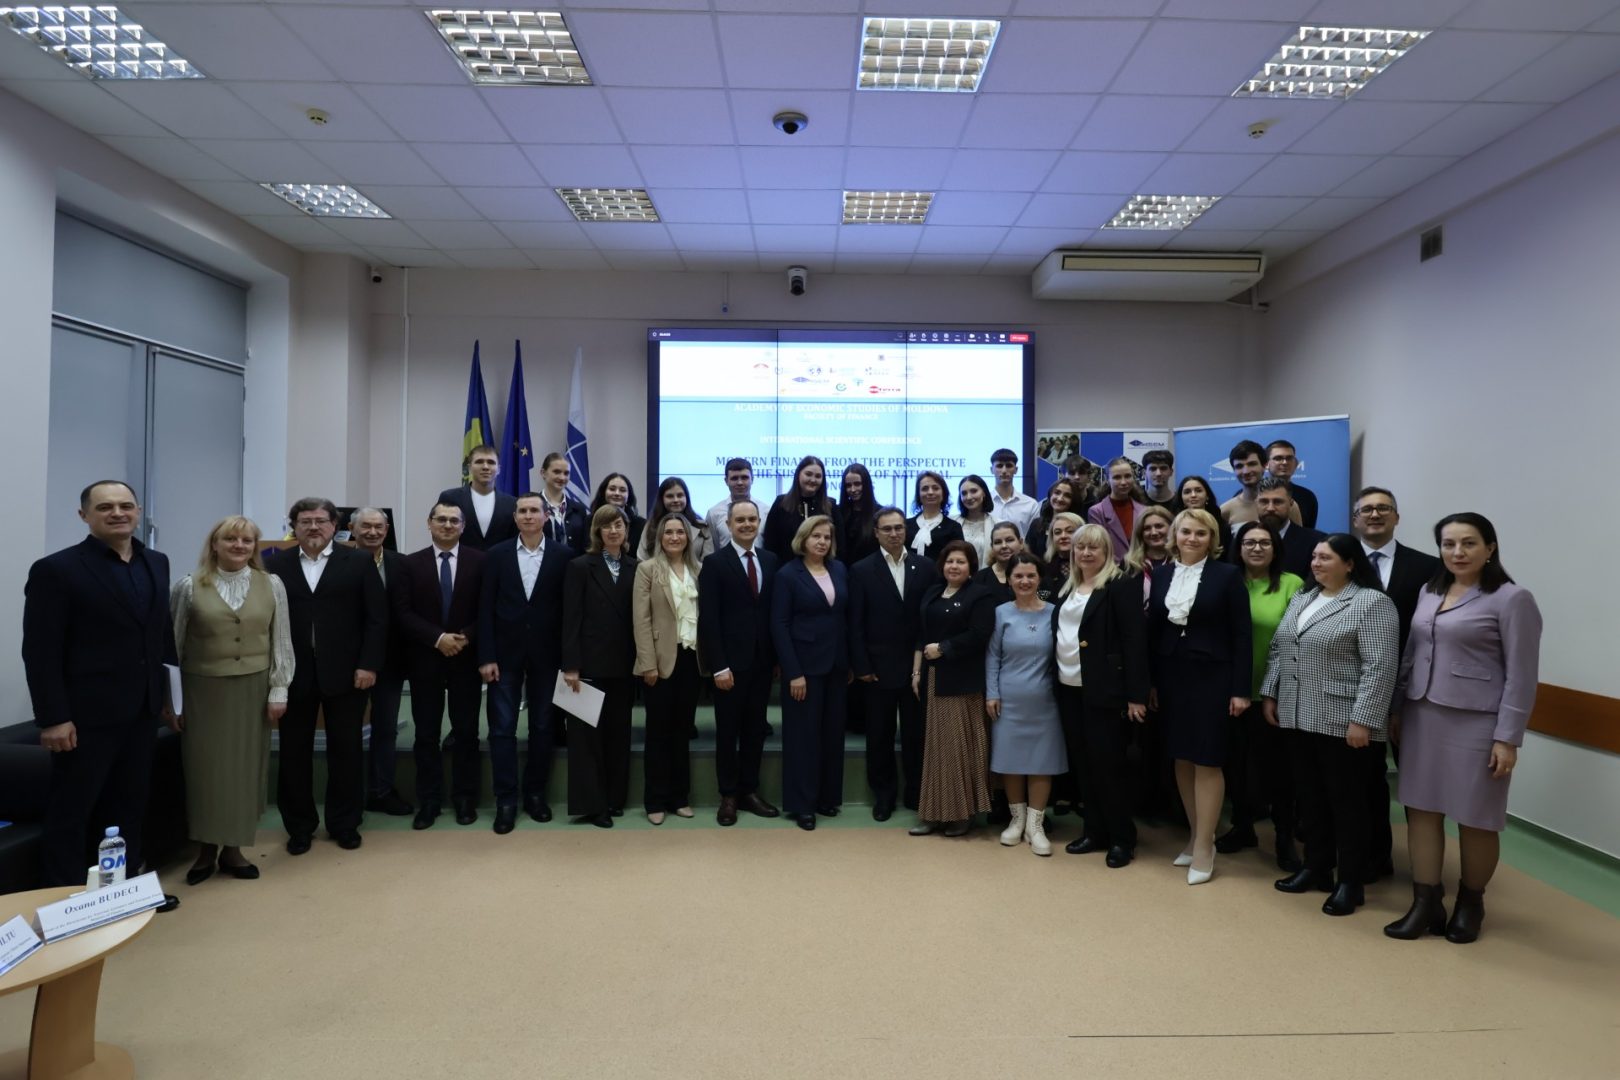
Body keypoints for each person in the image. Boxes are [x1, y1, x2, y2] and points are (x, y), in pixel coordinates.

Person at [24, 480, 182, 911]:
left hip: (142, 711)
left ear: (138, 512)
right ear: (84, 516)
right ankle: (63, 903)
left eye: (126, 506)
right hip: (84, 717)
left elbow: (161, 636)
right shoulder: (57, 570)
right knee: (73, 811)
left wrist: (170, 699)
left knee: (129, 806)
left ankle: (125, 894)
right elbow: (40, 651)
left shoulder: (156, 562)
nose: (118, 513)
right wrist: (53, 717)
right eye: (105, 507)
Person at [1385, 513, 1541, 944]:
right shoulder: (1430, 590)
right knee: (1421, 810)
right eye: (1448, 544)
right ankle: (1425, 901)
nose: (1457, 552)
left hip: (1478, 723)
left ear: (1490, 548)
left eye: (1468, 543)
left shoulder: (1512, 599)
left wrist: (1508, 738)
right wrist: (1397, 709)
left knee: (1476, 817)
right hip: (1422, 714)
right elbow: (1411, 653)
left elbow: (1522, 676)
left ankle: (1471, 902)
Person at [1263, 534, 1400, 917]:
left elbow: (1380, 666)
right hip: (1297, 714)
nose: (1316, 563)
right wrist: (1271, 693)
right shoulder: (1303, 598)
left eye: (1325, 557)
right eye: (1314, 557)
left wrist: (1363, 720)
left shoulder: (1371, 603)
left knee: (1348, 804)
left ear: (1350, 563)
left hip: (1344, 722)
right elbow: (1279, 649)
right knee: (1310, 799)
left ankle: (1350, 882)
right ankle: (1316, 867)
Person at [169, 516, 293, 885]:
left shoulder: (272, 585)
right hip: (202, 692)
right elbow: (173, 646)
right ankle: (206, 850)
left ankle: (234, 849)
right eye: (230, 539)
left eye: (247, 540)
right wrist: (172, 702)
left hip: (253, 690)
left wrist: (279, 689)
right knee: (205, 773)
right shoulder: (189, 586)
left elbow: (281, 640)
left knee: (244, 770)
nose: (239, 546)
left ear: (255, 547)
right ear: (215, 544)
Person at [267, 497, 387, 854]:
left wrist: (368, 664)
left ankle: (344, 823)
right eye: (305, 521)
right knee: (293, 753)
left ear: (335, 526)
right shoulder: (274, 564)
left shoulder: (359, 561)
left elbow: (377, 618)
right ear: (294, 526)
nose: (314, 527)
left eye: (321, 520)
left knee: (346, 751)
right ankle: (299, 827)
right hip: (294, 674)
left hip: (348, 674)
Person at [1146, 509, 1251, 885]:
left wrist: (1240, 689)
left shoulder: (1228, 575)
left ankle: (1206, 845)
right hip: (1172, 676)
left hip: (1213, 677)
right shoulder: (1162, 575)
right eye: (1186, 531)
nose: (1192, 538)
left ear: (1212, 539)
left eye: (1201, 533)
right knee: (1182, 757)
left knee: (1207, 759)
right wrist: (1151, 683)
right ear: (1175, 535)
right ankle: (1194, 836)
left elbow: (1242, 635)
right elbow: (1155, 632)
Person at [1352, 485, 1440, 879]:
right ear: (1356, 518)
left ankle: (1425, 867)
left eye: (1383, 508)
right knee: (1365, 777)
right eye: (1367, 509)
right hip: (1354, 686)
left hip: (1412, 688)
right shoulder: (1340, 563)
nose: (1375, 514)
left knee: (1415, 776)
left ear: (1397, 517)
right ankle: (1374, 856)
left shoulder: (1427, 567)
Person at [1051, 529, 1149, 866]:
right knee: (1084, 765)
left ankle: (1122, 838)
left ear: (1107, 551)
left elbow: (1134, 641)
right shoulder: (1068, 587)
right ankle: (1094, 831)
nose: (1086, 553)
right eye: (1080, 547)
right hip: (1068, 687)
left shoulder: (1120, 585)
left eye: (1094, 547)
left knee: (1109, 767)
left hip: (1105, 690)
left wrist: (1136, 695)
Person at [477, 493, 573, 833]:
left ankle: (535, 794)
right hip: (504, 656)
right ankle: (506, 800)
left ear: (546, 516)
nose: (529, 515)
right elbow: (485, 608)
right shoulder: (496, 555)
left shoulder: (564, 556)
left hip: (549, 656)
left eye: (535, 510)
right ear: (515, 517)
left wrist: (569, 660)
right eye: (523, 511)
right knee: (502, 728)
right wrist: (486, 656)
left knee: (543, 727)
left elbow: (570, 612)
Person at [1218, 521, 1306, 871]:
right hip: (1229, 692)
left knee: (1277, 771)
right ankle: (1242, 827)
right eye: (1249, 542)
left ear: (1275, 548)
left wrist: (1273, 690)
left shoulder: (1292, 584)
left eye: (1264, 543)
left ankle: (1284, 837)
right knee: (1235, 766)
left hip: (1274, 694)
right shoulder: (1227, 581)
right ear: (1238, 548)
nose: (1256, 548)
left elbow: (1293, 641)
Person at [394, 501, 486, 831]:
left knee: (466, 732)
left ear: (463, 526)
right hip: (425, 659)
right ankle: (429, 801)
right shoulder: (409, 564)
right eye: (441, 519)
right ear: (429, 523)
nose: (447, 525)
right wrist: (438, 638)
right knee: (426, 733)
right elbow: (402, 612)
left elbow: (488, 608)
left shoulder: (480, 561)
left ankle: (465, 798)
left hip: (466, 658)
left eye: (454, 521)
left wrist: (465, 637)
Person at [697, 499, 783, 826]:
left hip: (762, 663)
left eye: (752, 519)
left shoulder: (770, 560)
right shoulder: (715, 563)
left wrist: (775, 659)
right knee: (728, 732)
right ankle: (728, 795)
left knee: (755, 730)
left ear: (759, 522)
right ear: (729, 525)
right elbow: (709, 619)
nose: (747, 525)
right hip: (729, 667)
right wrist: (719, 666)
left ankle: (749, 790)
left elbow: (773, 613)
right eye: (740, 520)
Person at [849, 507, 938, 819]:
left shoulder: (926, 567)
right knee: (879, 736)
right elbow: (855, 624)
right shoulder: (861, 570)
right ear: (876, 533)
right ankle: (883, 796)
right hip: (877, 668)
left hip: (916, 667)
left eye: (899, 527)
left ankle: (916, 792)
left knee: (916, 735)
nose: (894, 533)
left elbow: (930, 618)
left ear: (906, 530)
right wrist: (861, 666)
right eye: (886, 529)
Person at [909, 540, 997, 837]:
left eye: (961, 561)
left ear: (971, 566)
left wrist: (944, 648)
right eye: (949, 561)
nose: (954, 566)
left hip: (962, 682)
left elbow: (980, 634)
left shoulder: (980, 595)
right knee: (934, 749)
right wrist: (916, 671)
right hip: (932, 679)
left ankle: (961, 814)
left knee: (956, 749)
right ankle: (933, 813)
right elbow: (921, 635)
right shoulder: (933, 592)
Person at [560, 506, 638, 828]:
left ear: (626, 529)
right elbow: (571, 619)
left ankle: (614, 798)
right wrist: (571, 666)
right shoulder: (580, 566)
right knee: (585, 740)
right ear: (597, 531)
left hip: (623, 666)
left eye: (618, 524)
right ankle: (593, 805)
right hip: (587, 667)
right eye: (606, 526)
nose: (613, 531)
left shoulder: (637, 566)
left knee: (618, 736)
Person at [771, 516, 850, 830]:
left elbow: (843, 616)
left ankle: (826, 798)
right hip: (803, 669)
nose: (822, 542)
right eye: (816, 536)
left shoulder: (839, 569)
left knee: (832, 735)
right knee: (803, 738)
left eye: (827, 537)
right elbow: (779, 625)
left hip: (836, 666)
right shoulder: (788, 575)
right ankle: (802, 805)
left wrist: (848, 662)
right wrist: (793, 672)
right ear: (803, 539)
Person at [985, 554, 1064, 856]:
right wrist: (992, 693)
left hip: (1045, 701)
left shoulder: (1054, 613)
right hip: (1008, 701)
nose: (1025, 581)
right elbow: (993, 656)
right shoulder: (1000, 613)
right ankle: (1016, 821)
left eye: (1031, 575)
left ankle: (1035, 825)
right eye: (1018, 576)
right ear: (1009, 579)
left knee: (1042, 762)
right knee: (1011, 761)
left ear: (1039, 578)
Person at [633, 515, 704, 825]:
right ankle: (655, 800)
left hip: (691, 660)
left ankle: (679, 798)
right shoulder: (648, 569)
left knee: (681, 731)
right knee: (658, 733)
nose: (675, 537)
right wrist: (647, 663)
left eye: (680, 532)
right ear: (660, 537)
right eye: (669, 532)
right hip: (660, 661)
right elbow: (641, 620)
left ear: (688, 537)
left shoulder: (698, 570)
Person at [350, 508, 413, 818]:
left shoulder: (401, 564)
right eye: (366, 526)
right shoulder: (339, 562)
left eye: (379, 526)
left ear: (387, 530)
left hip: (391, 662)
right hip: (350, 662)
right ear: (352, 528)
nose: (373, 532)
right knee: (348, 730)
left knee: (386, 728)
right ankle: (348, 796)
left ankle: (381, 791)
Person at [438, 445, 517, 551]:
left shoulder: (512, 503)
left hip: (499, 561)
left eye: (491, 462)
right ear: (469, 468)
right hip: (461, 560)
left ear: (499, 469)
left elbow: (513, 541)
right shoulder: (450, 498)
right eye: (479, 462)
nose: (485, 467)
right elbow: (441, 533)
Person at [763, 455, 840, 564]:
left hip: (822, 569)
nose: (813, 480)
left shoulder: (831, 506)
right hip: (786, 569)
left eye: (818, 476)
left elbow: (839, 545)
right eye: (808, 474)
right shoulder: (781, 503)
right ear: (798, 474)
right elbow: (770, 542)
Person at [1253, 476, 1324, 580]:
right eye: (1264, 502)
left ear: (1291, 504)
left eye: (1278, 502)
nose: (1270, 508)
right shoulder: (1241, 541)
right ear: (1256, 503)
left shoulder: (1316, 542)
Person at [1220, 441, 1299, 528]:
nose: (1246, 471)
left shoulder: (1289, 506)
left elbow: (1299, 535)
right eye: (1239, 466)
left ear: (1265, 465)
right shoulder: (1225, 510)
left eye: (1252, 464)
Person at [637, 476, 713, 563]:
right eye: (670, 496)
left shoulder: (701, 527)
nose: (676, 500)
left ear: (686, 498)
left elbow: (708, 562)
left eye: (680, 495)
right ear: (662, 499)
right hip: (656, 572)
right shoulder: (651, 526)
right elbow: (642, 559)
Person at [1088, 457, 1149, 565]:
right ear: (1107, 479)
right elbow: (1099, 547)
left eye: (1128, 476)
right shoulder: (1097, 512)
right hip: (1111, 570)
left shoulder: (1144, 510)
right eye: (1117, 477)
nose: (1123, 482)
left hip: (1141, 567)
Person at [903, 470, 961, 563]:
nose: (930, 492)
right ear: (918, 494)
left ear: (943, 493)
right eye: (925, 489)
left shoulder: (953, 527)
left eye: (935, 488)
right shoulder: (905, 525)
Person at [537, 451, 590, 551]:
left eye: (566, 473)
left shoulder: (579, 509)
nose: (562, 477)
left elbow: (585, 545)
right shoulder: (532, 507)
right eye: (556, 472)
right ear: (543, 473)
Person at [590, 472, 647, 558]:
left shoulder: (641, 524)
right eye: (612, 489)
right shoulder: (589, 520)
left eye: (622, 490)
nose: (617, 493)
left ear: (629, 495)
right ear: (603, 492)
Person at [1266, 440, 1318, 530]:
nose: (1285, 462)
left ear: (1296, 463)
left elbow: (1308, 533)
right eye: (1278, 458)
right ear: (1266, 464)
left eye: (1289, 458)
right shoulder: (1254, 494)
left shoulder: (1308, 496)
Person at [1176, 475, 1233, 556]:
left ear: (1207, 496)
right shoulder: (1175, 524)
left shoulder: (1222, 526)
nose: (1193, 495)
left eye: (1198, 491)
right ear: (1181, 498)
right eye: (1187, 492)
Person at [705, 458, 754, 550]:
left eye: (744, 478)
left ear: (752, 479)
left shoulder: (766, 511)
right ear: (726, 481)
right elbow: (713, 549)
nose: (740, 482)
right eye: (734, 478)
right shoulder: (714, 513)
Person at [973, 521, 1028, 605]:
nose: (1004, 546)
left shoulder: (1036, 575)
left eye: (1009, 540)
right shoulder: (979, 579)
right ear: (992, 547)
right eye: (998, 542)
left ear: (1020, 543)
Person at [836, 462, 880, 567]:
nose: (853, 489)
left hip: (869, 571)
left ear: (866, 484)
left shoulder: (880, 514)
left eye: (857, 484)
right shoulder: (837, 512)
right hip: (842, 572)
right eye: (848, 485)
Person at [988, 447, 1039, 535]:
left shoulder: (1031, 504)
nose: (1004, 470)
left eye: (1009, 466)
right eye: (999, 466)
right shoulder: (982, 503)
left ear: (1016, 470)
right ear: (991, 470)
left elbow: (1034, 538)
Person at [1024, 477, 1078, 558]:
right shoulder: (1037, 524)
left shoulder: (1078, 525)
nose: (1060, 499)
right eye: (1057, 493)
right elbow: (1028, 553)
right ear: (1050, 495)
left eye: (1067, 496)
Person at [1038, 511, 1082, 603]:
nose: (1063, 536)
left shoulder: (1090, 565)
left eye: (1070, 531)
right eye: (1057, 532)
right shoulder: (1043, 567)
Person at [956, 473, 996, 567]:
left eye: (974, 491)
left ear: (984, 493)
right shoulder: (951, 522)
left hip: (987, 575)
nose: (969, 497)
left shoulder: (997, 523)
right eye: (964, 493)